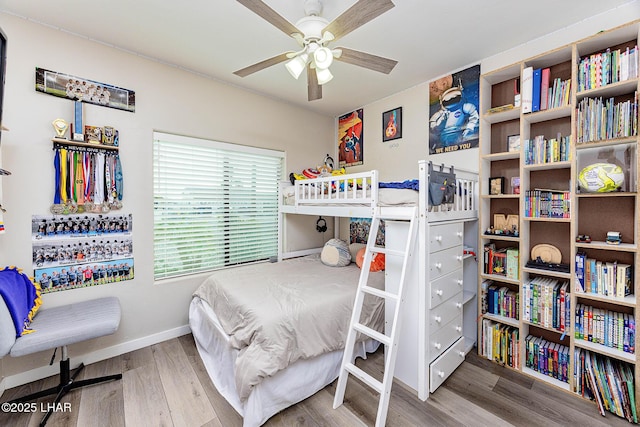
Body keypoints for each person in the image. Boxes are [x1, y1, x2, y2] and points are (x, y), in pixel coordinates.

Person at [429, 78, 479, 147]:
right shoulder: (443, 113)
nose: (451, 101)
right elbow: (432, 123)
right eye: (448, 101)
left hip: (458, 135)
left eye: (454, 98)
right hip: (444, 137)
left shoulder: (464, 107)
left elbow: (474, 115)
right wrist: (440, 125)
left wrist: (469, 128)